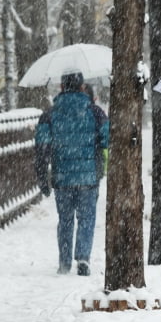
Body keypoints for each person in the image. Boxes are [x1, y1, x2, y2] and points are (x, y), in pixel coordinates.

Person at [35, 70, 110, 276]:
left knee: (65, 220)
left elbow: (41, 147)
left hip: (62, 178)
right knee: (87, 219)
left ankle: (65, 261)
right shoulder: (95, 112)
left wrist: (42, 177)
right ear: (82, 87)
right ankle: (83, 257)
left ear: (61, 87)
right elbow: (107, 140)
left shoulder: (49, 115)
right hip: (89, 176)